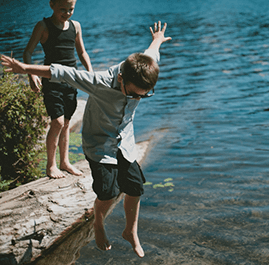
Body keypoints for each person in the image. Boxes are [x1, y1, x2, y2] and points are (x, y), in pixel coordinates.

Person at [2, 21, 171, 258]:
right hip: (99, 143)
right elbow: (61, 72)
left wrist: (158, 39)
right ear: (121, 78)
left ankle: (130, 232)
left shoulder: (143, 71)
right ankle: (98, 222)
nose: (137, 98)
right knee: (108, 192)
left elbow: (152, 53)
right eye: (133, 93)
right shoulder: (99, 82)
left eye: (143, 95)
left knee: (135, 187)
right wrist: (25, 68)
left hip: (125, 142)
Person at [23, 0, 93, 179]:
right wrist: (32, 74)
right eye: (63, 9)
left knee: (67, 123)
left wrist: (90, 73)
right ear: (51, 4)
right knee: (58, 122)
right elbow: (28, 52)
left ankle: (65, 162)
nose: (68, 13)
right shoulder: (43, 26)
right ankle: (51, 165)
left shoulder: (75, 26)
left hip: (71, 81)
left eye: (71, 9)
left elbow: (82, 52)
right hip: (52, 80)